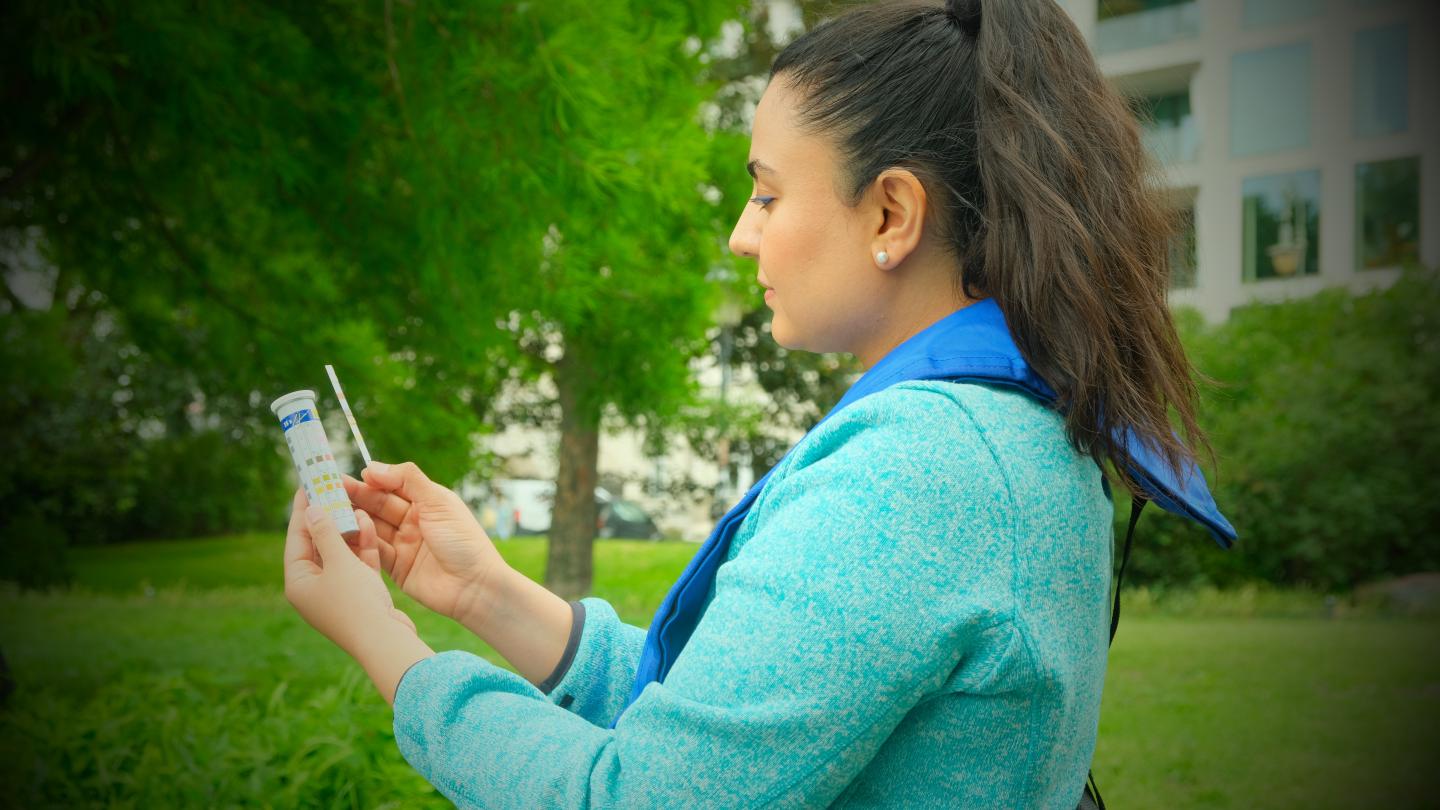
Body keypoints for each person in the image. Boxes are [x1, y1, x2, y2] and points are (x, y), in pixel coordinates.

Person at [281, 0, 1232, 806]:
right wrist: (480, 592)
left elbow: (644, 795)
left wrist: (387, 647)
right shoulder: (998, 428)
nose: (743, 237)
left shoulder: (922, 474)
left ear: (891, 214)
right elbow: (725, 723)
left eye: (768, 197)